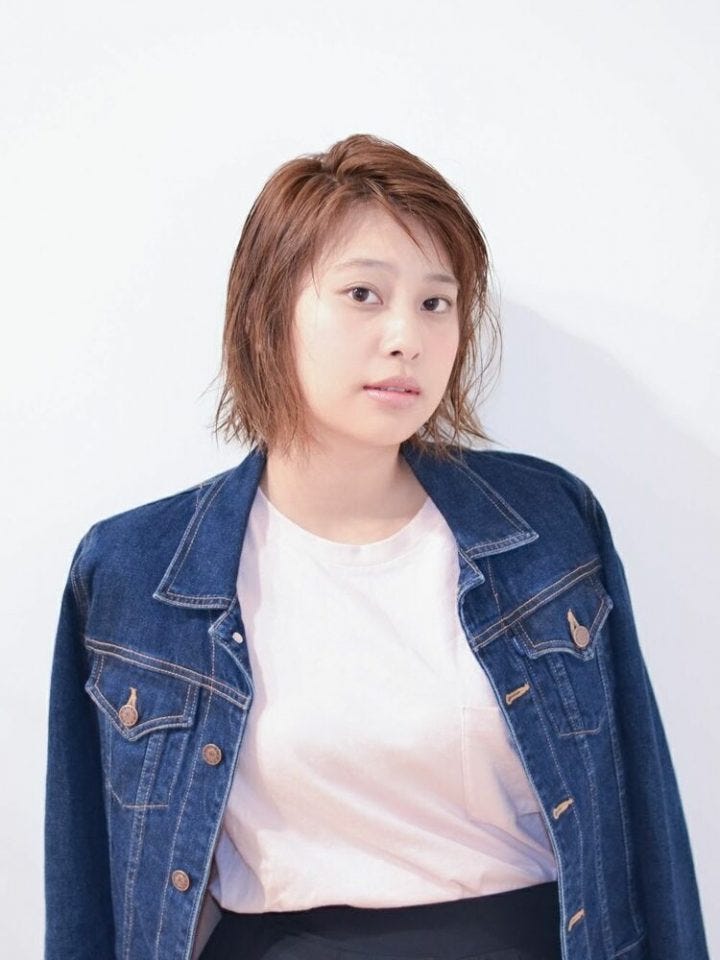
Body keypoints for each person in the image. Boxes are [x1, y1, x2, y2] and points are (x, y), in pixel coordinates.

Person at [44, 133, 710, 960]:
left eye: (437, 303)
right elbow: (88, 896)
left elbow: (648, 825)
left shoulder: (547, 525)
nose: (407, 337)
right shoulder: (136, 572)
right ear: (268, 312)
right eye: (363, 294)